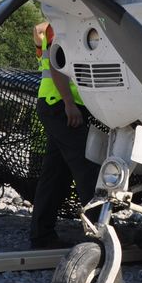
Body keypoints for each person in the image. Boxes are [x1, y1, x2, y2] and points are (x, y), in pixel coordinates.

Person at [29, 21, 102, 249]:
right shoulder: (63, 25)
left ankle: (42, 235)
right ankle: (100, 236)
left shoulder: (52, 26)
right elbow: (56, 64)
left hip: (56, 104)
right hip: (62, 106)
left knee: (55, 175)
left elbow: (39, 31)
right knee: (88, 168)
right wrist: (70, 104)